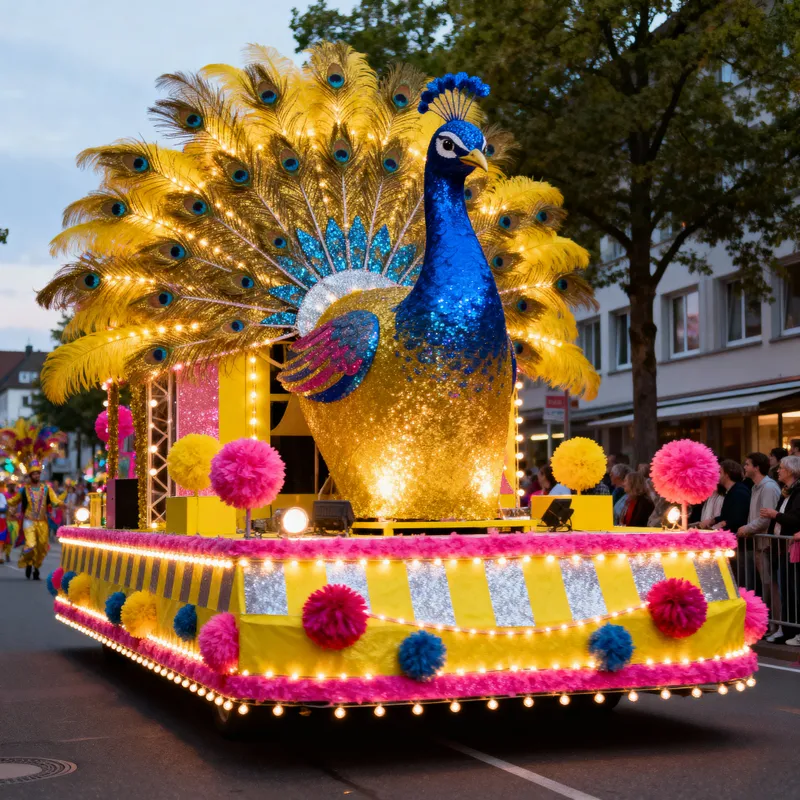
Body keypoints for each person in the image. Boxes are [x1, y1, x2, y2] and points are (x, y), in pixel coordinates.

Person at [760, 455, 800, 646]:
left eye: (782, 467)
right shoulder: (787, 491)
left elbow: (795, 519)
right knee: (785, 590)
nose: (778, 470)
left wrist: (775, 514)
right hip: (781, 547)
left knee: (793, 590)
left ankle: (793, 630)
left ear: (791, 471)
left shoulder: (797, 492)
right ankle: (787, 629)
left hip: (792, 547)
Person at [6, 461, 64, 580]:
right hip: (29, 521)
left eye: (38, 473)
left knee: (42, 547)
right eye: (34, 474)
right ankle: (28, 562)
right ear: (30, 476)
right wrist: (5, 502)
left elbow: (54, 501)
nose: (37, 475)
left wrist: (62, 504)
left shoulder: (47, 489)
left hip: (42, 522)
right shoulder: (24, 490)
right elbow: (13, 501)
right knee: (31, 544)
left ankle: (36, 567)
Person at [738, 453, 781, 608]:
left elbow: (766, 518)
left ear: (756, 467)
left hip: (766, 545)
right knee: (766, 584)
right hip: (759, 543)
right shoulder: (756, 487)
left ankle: (775, 619)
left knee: (772, 585)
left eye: (747, 464)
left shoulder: (768, 487)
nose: (744, 467)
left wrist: (746, 528)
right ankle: (769, 618)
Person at [700, 460, 750, 532]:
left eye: (720, 472)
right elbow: (726, 516)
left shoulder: (739, 492)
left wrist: (721, 525)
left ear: (727, 474)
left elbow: (738, 518)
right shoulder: (731, 491)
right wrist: (712, 521)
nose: (717, 475)